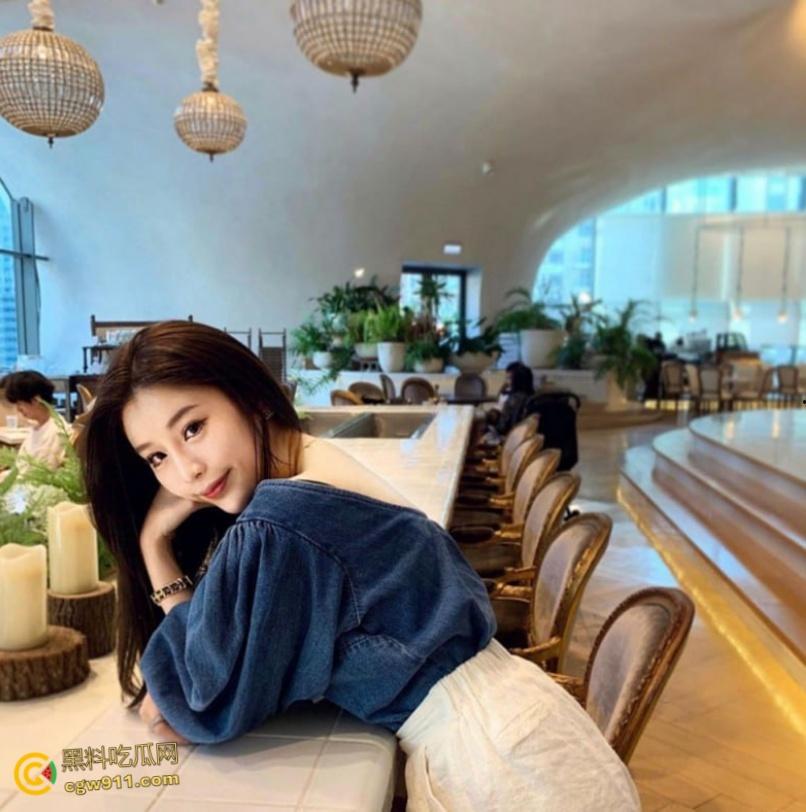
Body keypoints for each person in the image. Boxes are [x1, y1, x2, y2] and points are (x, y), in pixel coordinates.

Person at [80, 321, 638, 811]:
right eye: (157, 456)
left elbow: (204, 700)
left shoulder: (280, 521)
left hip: (497, 771)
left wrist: (154, 546)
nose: (187, 470)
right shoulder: (312, 460)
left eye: (193, 428)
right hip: (527, 734)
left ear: (248, 396)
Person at [1, 370, 71, 472]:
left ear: (36, 400)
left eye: (20, 403)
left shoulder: (56, 432)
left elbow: (38, 474)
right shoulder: (37, 427)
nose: (18, 409)